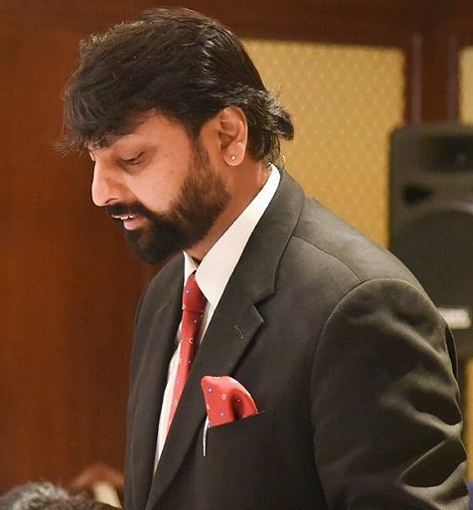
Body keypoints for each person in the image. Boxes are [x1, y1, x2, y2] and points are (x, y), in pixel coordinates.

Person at [59, 7, 468, 510]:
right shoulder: (165, 295)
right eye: (94, 161)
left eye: (131, 158)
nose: (101, 192)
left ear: (229, 137)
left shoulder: (363, 305)